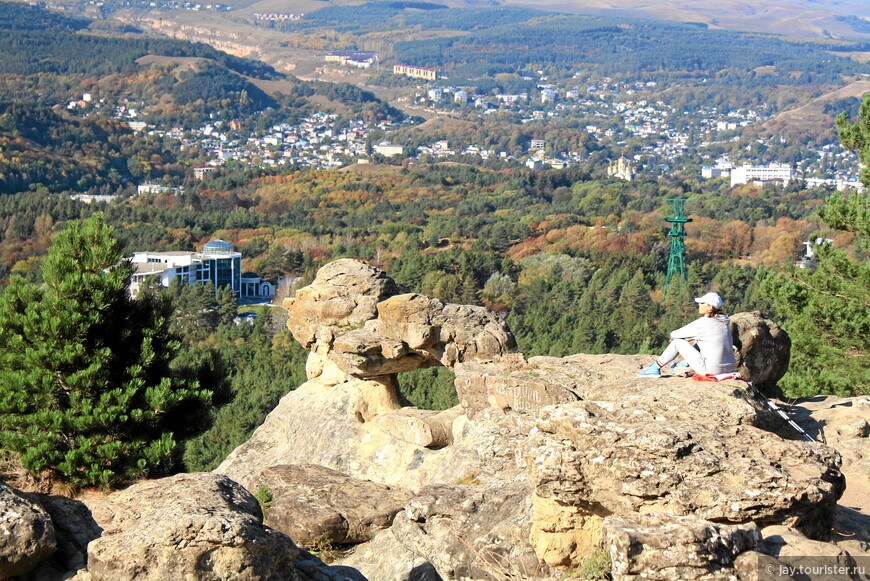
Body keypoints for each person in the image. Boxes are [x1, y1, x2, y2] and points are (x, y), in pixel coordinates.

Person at [638, 292, 736, 378]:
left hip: (711, 370)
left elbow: (675, 334)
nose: (699, 305)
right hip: (730, 368)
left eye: (702, 303)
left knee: (677, 342)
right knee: (701, 341)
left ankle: (655, 368)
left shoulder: (703, 323)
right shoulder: (724, 322)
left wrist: (688, 337)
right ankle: (685, 363)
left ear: (710, 307)